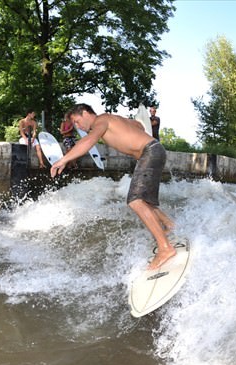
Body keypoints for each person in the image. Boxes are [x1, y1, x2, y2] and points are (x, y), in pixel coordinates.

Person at [50, 104, 176, 270]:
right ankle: (169, 225)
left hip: (149, 153)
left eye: (77, 121)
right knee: (143, 199)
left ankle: (165, 249)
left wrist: (63, 159)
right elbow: (139, 125)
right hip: (154, 150)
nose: (77, 126)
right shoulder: (112, 119)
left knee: (135, 201)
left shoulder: (100, 121)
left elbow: (88, 141)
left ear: (86, 113)